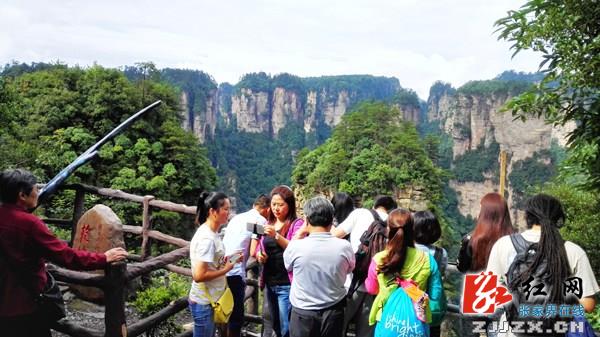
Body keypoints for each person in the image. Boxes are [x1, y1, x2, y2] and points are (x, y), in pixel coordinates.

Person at [0, 169, 128, 337]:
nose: (38, 192)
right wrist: (103, 258)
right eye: (35, 189)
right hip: (25, 305)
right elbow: (65, 256)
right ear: (22, 195)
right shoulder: (28, 224)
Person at [486, 194, 599, 337]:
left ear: (528, 217)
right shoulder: (573, 251)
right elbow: (588, 305)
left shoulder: (503, 245)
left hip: (512, 331)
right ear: (558, 219)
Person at [284, 196, 355, 337]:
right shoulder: (344, 247)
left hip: (302, 312)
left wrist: (298, 234)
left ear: (307, 220)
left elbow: (288, 266)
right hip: (334, 311)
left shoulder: (296, 246)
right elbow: (349, 269)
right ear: (331, 221)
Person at [364, 209, 445, 332]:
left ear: (389, 230)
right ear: (412, 231)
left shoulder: (380, 258)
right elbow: (435, 295)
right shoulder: (428, 260)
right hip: (416, 324)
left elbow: (371, 289)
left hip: (386, 321)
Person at [331, 195, 397, 337]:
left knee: (338, 328)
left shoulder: (360, 213)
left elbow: (335, 235)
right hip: (376, 288)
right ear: (392, 210)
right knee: (366, 333)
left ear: (375, 205)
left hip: (350, 284)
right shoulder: (394, 223)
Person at [189, 191, 240, 337]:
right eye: (225, 209)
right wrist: (227, 269)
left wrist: (230, 259)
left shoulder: (212, 233)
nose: (228, 213)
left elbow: (213, 263)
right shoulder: (207, 239)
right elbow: (199, 275)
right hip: (204, 302)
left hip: (210, 301)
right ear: (213, 211)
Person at [255, 185, 304, 337]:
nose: (276, 208)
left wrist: (276, 235)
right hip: (270, 283)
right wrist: (259, 255)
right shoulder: (267, 224)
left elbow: (295, 248)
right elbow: (259, 247)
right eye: (274, 204)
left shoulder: (297, 224)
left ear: (290, 205)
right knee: (274, 322)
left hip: (286, 284)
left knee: (286, 326)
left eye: (281, 204)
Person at [222, 194, 270, 337]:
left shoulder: (238, 218)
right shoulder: (260, 220)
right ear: (266, 209)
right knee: (236, 316)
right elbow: (254, 250)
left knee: (224, 311)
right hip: (235, 271)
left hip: (223, 268)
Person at [458, 192, 513, 273]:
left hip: (477, 284)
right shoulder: (515, 241)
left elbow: (462, 267)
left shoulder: (470, 240)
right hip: (504, 285)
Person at [413, 210, 448, 337]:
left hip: (407, 305)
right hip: (429, 308)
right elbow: (440, 276)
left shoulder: (406, 250)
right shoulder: (441, 253)